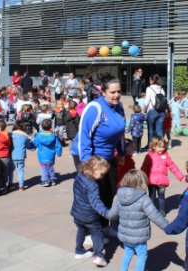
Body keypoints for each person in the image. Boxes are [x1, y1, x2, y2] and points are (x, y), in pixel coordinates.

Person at [70, 75, 126, 232]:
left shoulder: (119, 107)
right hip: (89, 156)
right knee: (92, 195)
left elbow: (120, 133)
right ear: (104, 92)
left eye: (119, 91)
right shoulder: (95, 108)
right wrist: (88, 165)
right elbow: (83, 137)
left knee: (109, 192)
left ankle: (104, 226)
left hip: (108, 156)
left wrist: (121, 153)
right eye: (112, 92)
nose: (116, 95)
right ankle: (88, 231)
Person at [107, 169, 169, 271]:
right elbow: (155, 216)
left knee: (127, 253)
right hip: (139, 236)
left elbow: (112, 215)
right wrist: (167, 226)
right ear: (142, 183)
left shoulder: (119, 196)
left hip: (125, 235)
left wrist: (104, 212)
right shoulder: (144, 199)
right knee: (142, 255)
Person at [70, 156, 111, 267]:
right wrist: (107, 213)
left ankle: (79, 251)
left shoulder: (79, 175)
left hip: (77, 212)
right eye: (102, 174)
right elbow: (96, 203)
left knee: (81, 230)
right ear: (94, 169)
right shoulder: (92, 185)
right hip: (89, 216)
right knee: (97, 233)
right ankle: (99, 256)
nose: (102, 177)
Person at [141, 137, 185, 216]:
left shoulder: (166, 156)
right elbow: (144, 167)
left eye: (163, 147)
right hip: (151, 181)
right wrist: (141, 177)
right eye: (159, 147)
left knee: (161, 196)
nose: (162, 149)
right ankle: (150, 210)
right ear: (154, 146)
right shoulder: (149, 155)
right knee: (152, 196)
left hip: (162, 181)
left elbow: (172, 166)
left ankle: (162, 211)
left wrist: (180, 176)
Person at [31, 119, 62, 187]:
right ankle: (53, 179)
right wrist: (59, 153)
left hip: (42, 155)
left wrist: (28, 145)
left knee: (44, 168)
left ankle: (45, 180)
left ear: (41, 126)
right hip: (51, 155)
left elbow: (34, 144)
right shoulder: (53, 136)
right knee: (50, 167)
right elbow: (58, 146)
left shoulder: (38, 136)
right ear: (50, 126)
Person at [143, 74, 166, 143]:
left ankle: (151, 145)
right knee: (159, 129)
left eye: (150, 79)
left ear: (152, 80)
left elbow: (146, 102)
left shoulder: (149, 88)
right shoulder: (161, 89)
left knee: (151, 129)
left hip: (152, 111)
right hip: (162, 111)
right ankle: (161, 145)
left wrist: (143, 110)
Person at [11, 121, 32, 191]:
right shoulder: (25, 136)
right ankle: (21, 186)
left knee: (10, 170)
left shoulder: (11, 135)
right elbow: (28, 146)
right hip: (21, 155)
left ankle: (10, 184)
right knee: (20, 170)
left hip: (12, 155)